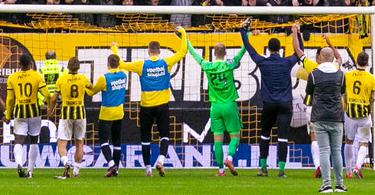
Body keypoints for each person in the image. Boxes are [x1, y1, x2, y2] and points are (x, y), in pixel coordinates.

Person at [240, 20, 311, 177]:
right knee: (283, 138)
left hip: (269, 105)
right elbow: (300, 51)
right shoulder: (287, 62)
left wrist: (242, 30)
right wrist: (296, 32)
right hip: (285, 104)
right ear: (279, 49)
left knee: (265, 135)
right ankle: (281, 170)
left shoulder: (263, 62)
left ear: (268, 49)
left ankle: (263, 168)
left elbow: (249, 48)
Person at [113, 38, 188, 177]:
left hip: (146, 107)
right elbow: (183, 52)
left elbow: (121, 64)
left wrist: (114, 49)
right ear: (159, 52)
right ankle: (160, 160)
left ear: (149, 52)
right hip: (162, 106)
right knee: (164, 135)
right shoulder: (166, 63)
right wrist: (182, 34)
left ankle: (148, 168)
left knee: (145, 137)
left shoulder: (142, 65)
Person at [180, 23, 248, 176]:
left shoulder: (207, 65)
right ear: (225, 53)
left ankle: (220, 170)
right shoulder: (229, 64)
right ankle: (229, 158)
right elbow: (244, 49)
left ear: (214, 53)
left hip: (215, 107)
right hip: (229, 105)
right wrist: (246, 32)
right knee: (235, 136)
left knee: (217, 139)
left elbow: (193, 53)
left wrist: (185, 37)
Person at [307, 45, 348, 193]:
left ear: (319, 58)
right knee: (337, 151)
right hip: (336, 116)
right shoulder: (340, 74)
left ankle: (326, 184)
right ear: (332, 58)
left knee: (324, 151)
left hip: (319, 116)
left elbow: (309, 91)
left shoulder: (313, 74)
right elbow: (342, 91)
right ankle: (339, 184)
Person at [4, 53, 49, 179]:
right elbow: (46, 94)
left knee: (19, 140)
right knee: (34, 140)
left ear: (19, 64)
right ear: (30, 64)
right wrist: (50, 106)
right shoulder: (36, 76)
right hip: (34, 111)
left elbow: (10, 99)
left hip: (19, 111)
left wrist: (8, 115)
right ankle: (30, 170)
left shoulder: (12, 78)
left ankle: (19, 163)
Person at [87, 54, 131, 177]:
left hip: (106, 114)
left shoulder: (104, 78)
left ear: (108, 64)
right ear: (118, 64)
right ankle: (116, 171)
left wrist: (86, 85)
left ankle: (112, 164)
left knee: (103, 141)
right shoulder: (123, 75)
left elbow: (92, 92)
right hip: (119, 113)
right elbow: (122, 65)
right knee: (117, 142)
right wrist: (115, 49)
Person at [341, 50, 375, 179]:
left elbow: (343, 93)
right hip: (364, 114)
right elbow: (372, 99)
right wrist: (371, 114)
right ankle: (358, 166)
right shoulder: (371, 78)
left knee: (349, 141)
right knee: (364, 143)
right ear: (367, 64)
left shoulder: (347, 76)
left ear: (356, 62)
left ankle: (349, 171)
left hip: (350, 113)